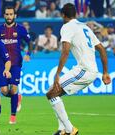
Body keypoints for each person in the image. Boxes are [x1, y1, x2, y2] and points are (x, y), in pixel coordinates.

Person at [46, 3, 111, 135]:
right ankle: (62, 129)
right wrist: (105, 72)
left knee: (51, 93)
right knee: (53, 92)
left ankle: (71, 130)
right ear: (75, 14)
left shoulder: (67, 27)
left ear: (63, 15)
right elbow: (102, 49)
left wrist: (57, 74)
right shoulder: (85, 27)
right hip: (89, 70)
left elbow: (65, 52)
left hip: (84, 71)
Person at [0, 6, 32, 124]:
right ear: (4, 15)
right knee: (5, 91)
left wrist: (28, 54)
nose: (9, 16)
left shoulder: (21, 29)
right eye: (7, 14)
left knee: (14, 88)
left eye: (11, 14)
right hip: (2, 64)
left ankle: (13, 117)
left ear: (15, 15)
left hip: (16, 63)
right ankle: (17, 99)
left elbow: (30, 42)